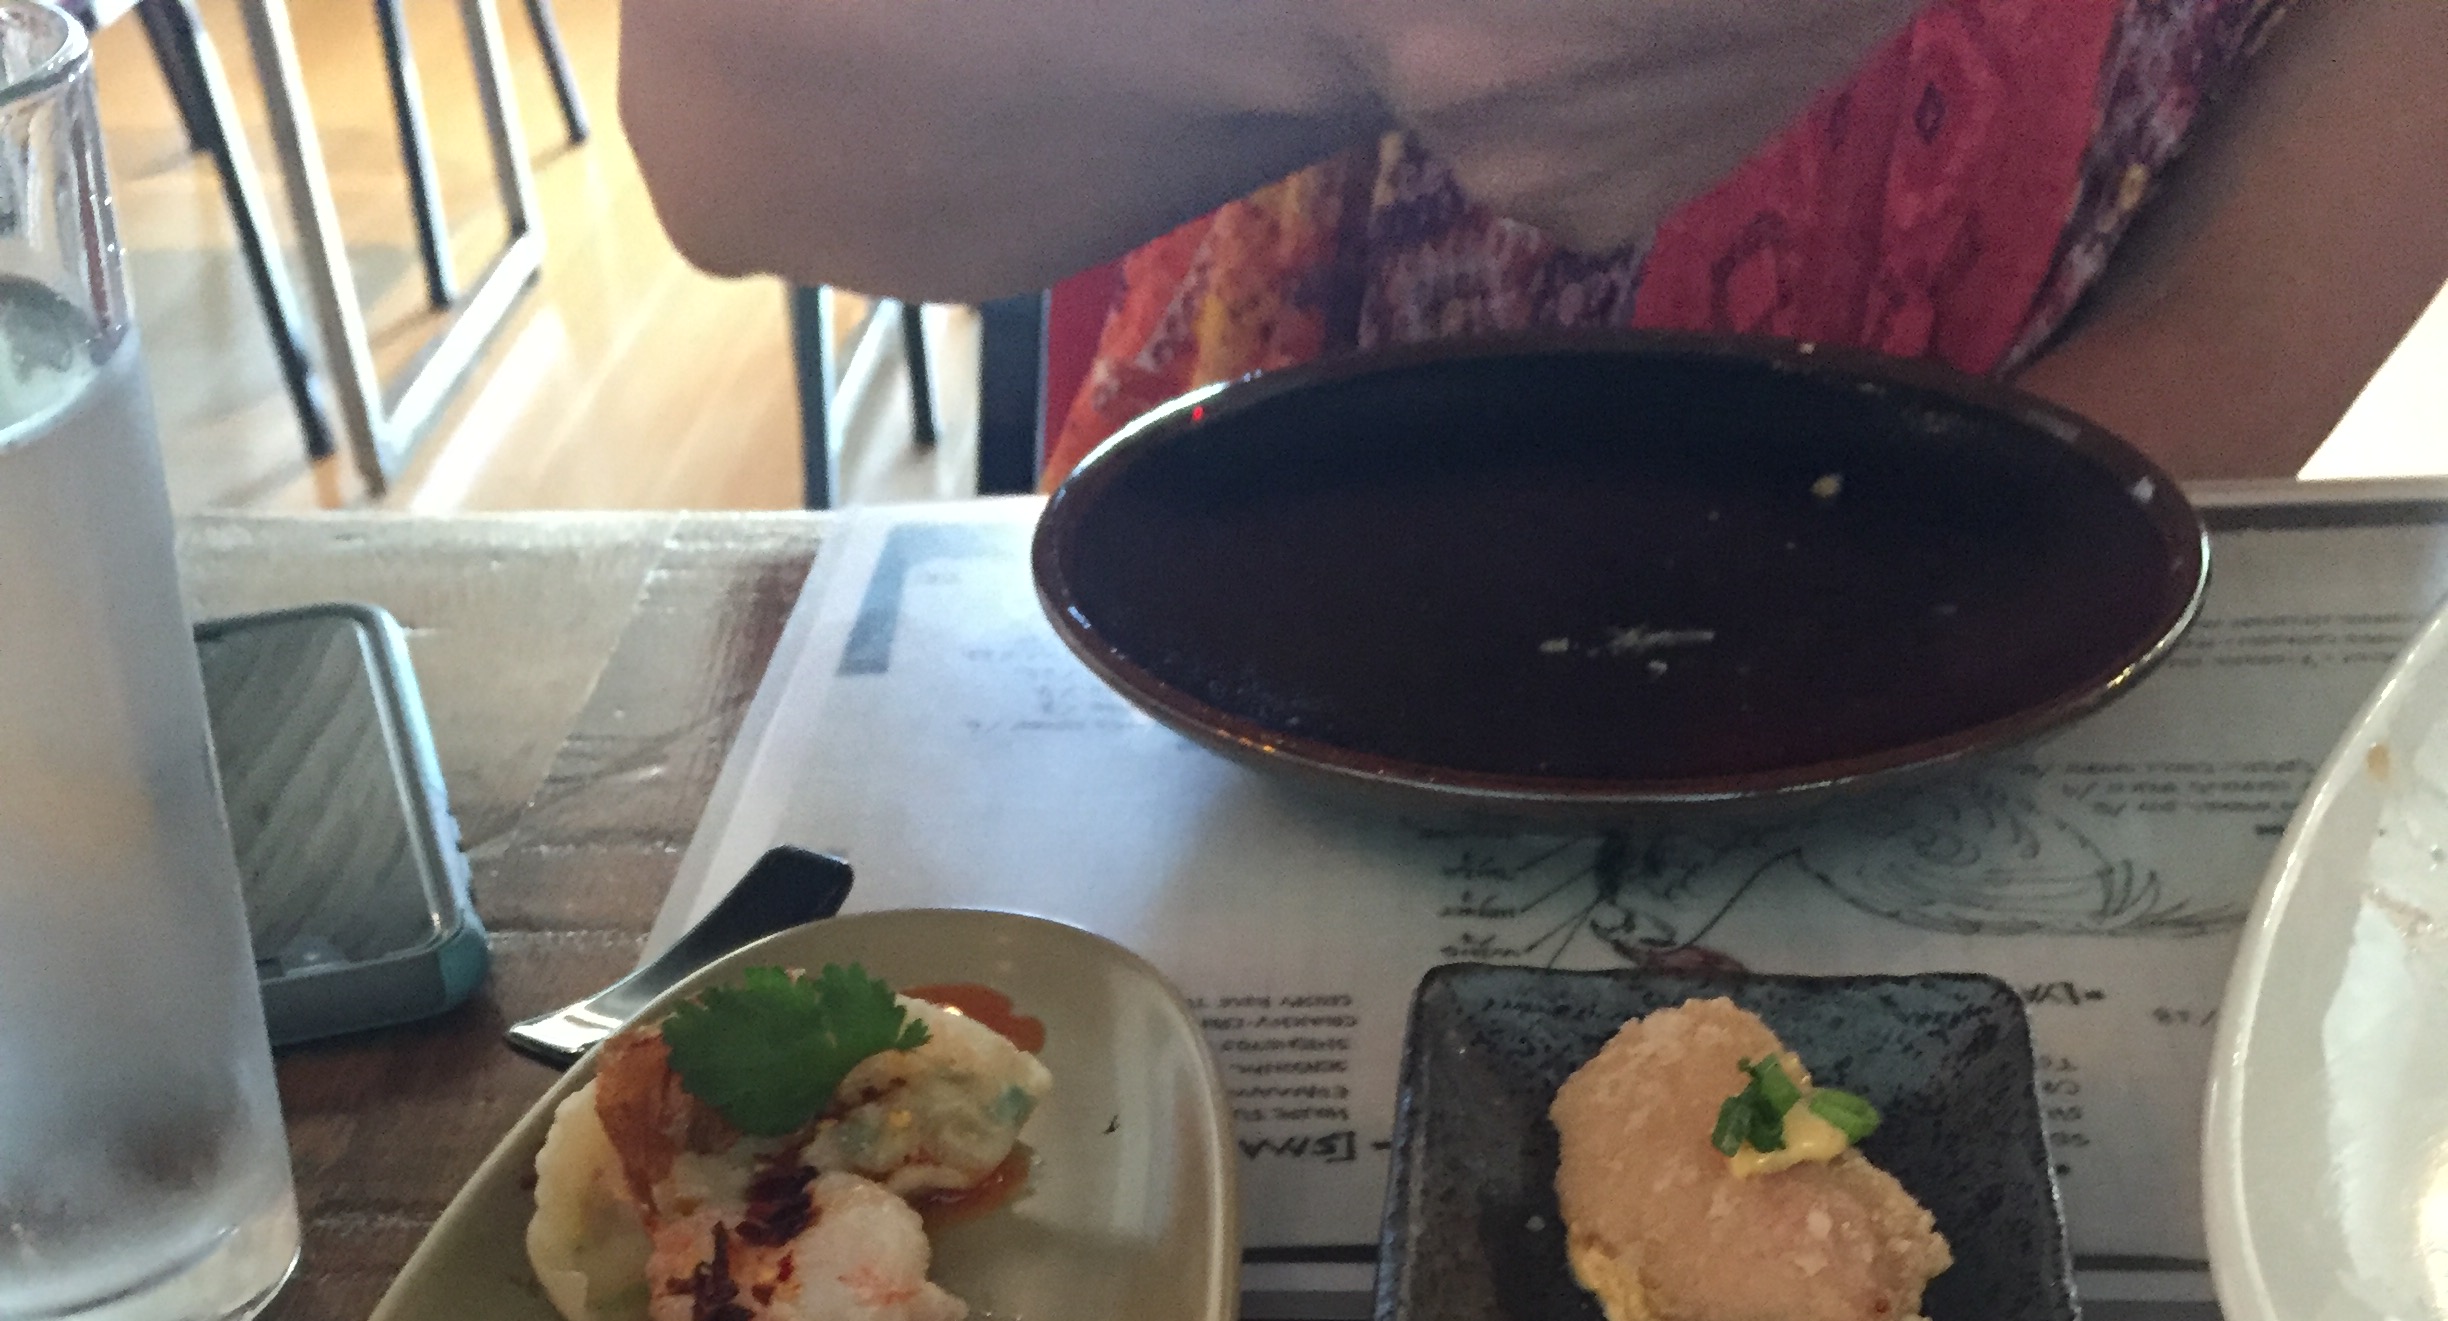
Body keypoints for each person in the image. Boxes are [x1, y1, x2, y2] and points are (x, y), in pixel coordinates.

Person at [620, 0, 2448, 481]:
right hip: (1231, 569)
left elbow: (2239, 338)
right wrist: (1316, 30)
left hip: (2000, 605)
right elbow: (723, 137)